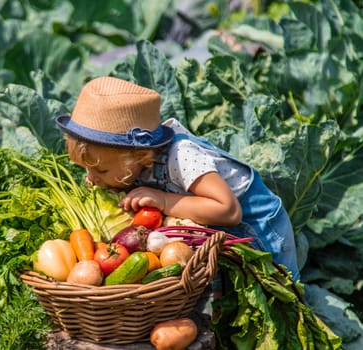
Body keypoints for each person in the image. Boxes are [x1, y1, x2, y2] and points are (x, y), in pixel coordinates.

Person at [56, 76, 300, 282]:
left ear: (140, 155)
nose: (92, 179)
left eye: (101, 172)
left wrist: (162, 200)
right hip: (218, 236)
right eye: (87, 170)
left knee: (278, 291)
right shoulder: (131, 162)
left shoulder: (181, 156)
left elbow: (228, 210)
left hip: (258, 230)